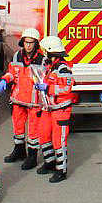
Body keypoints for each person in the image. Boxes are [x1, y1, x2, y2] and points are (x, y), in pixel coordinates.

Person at [33, 35, 77, 183]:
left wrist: (48, 88)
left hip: (60, 109)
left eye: (45, 50)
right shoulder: (50, 66)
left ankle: (61, 170)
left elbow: (66, 88)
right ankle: (50, 162)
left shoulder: (63, 69)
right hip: (49, 107)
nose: (43, 53)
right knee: (43, 135)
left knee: (59, 140)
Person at [2, 28, 44, 168]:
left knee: (33, 131)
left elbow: (46, 78)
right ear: (23, 42)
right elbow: (12, 73)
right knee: (18, 127)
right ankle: (19, 151)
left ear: (36, 44)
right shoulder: (17, 56)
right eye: (26, 42)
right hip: (18, 99)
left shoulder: (42, 59)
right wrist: (5, 79)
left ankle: (32, 156)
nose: (28, 45)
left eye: (31, 43)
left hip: (34, 101)